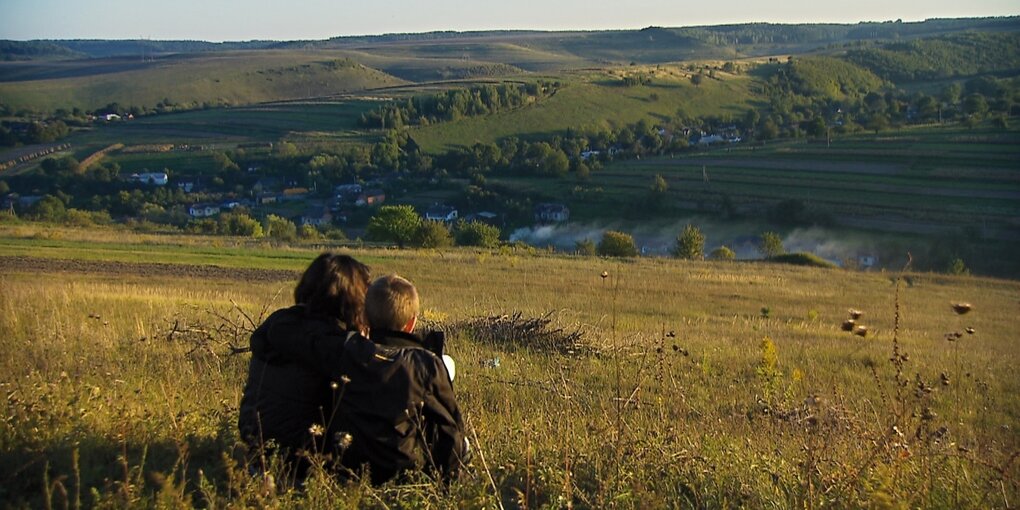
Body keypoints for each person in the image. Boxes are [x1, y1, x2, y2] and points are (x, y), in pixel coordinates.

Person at [266, 274, 469, 485]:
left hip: (348, 469)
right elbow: (450, 428)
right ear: (412, 323)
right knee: (462, 442)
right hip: (403, 472)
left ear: (365, 317)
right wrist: (448, 481)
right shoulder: (425, 363)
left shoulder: (347, 352)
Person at [237, 252, 371, 482]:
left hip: (257, 452)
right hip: (307, 463)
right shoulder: (335, 346)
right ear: (353, 299)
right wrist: (365, 346)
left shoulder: (279, 327)